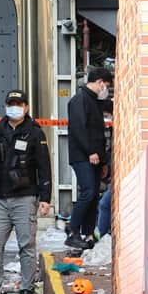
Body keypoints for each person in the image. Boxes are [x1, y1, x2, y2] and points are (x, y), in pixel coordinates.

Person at [0, 89, 52, 294]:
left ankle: (27, 289)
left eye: (19, 104)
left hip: (25, 197)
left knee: (26, 246)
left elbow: (44, 167)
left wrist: (45, 197)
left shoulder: (35, 132)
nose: (15, 108)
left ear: (26, 107)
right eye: (11, 104)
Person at [65, 66, 111, 252]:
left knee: (92, 196)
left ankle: (88, 233)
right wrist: (91, 151)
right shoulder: (79, 100)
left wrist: (103, 160)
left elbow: (97, 132)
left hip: (95, 157)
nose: (105, 90)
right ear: (100, 82)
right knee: (88, 191)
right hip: (83, 156)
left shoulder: (94, 101)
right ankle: (72, 230)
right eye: (106, 86)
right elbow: (79, 129)